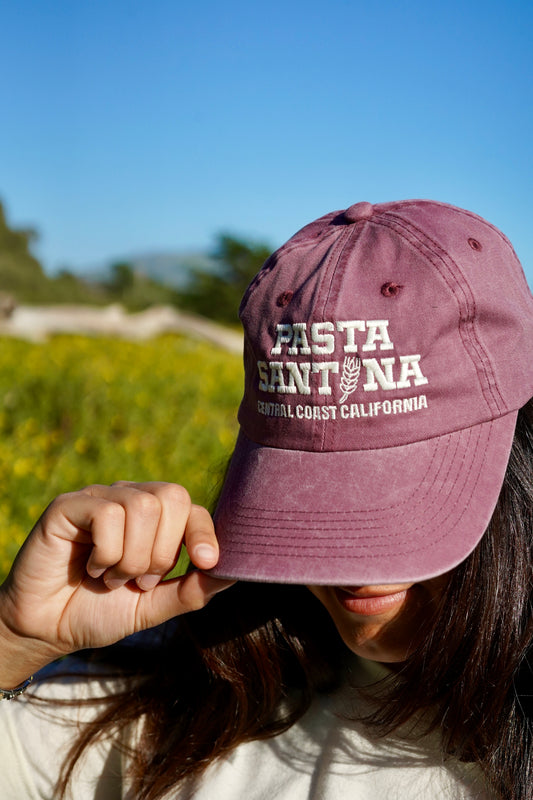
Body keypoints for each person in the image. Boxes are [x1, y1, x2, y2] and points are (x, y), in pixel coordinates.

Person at [0, 199, 532, 800]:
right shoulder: (188, 708)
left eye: (395, 499)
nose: (352, 566)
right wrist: (17, 639)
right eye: (311, 505)